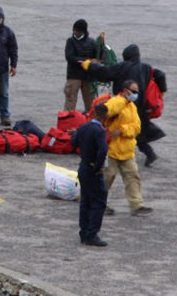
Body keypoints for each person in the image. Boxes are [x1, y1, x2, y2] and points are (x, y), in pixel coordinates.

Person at [83, 44, 167, 167]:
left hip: (123, 104)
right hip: (141, 105)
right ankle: (149, 153)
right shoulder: (146, 68)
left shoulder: (122, 67)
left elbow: (104, 71)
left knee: (116, 128)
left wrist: (88, 65)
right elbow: (160, 75)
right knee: (138, 130)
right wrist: (162, 91)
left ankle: (112, 154)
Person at [102, 80, 153, 217]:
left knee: (132, 177)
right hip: (111, 149)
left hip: (127, 150)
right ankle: (100, 204)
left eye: (137, 92)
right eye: (133, 91)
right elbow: (107, 112)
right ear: (125, 91)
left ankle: (137, 205)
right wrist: (122, 100)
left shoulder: (132, 107)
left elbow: (137, 127)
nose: (136, 94)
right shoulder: (115, 102)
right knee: (107, 177)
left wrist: (122, 130)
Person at [74, 103, 110, 247]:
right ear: (105, 116)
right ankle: (92, 234)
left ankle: (83, 232)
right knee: (99, 201)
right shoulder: (100, 131)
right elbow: (102, 150)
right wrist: (97, 167)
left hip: (83, 166)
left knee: (85, 201)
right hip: (92, 169)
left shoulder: (84, 127)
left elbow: (73, 141)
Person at [64, 19, 99, 112]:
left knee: (90, 103)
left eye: (78, 31)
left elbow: (97, 57)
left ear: (83, 31)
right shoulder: (70, 41)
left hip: (88, 77)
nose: (75, 33)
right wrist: (85, 61)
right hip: (74, 76)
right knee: (70, 101)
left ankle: (90, 122)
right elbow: (69, 57)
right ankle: (67, 121)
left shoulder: (92, 42)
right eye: (74, 30)